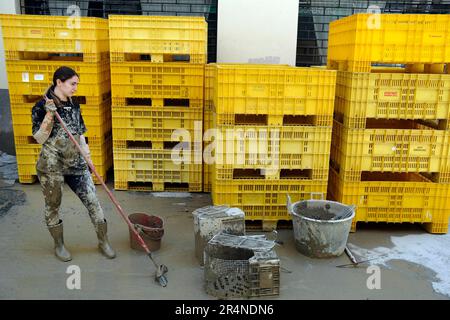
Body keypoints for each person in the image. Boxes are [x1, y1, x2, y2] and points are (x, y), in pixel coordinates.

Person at [31, 66, 115, 262]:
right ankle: (59, 245)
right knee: (53, 206)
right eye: (72, 84)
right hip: (52, 166)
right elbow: (39, 138)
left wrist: (89, 159)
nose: (76, 88)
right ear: (59, 82)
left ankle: (104, 241)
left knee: (93, 201)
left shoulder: (74, 105)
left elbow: (80, 134)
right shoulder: (41, 106)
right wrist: (49, 115)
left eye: (77, 84)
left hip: (76, 163)